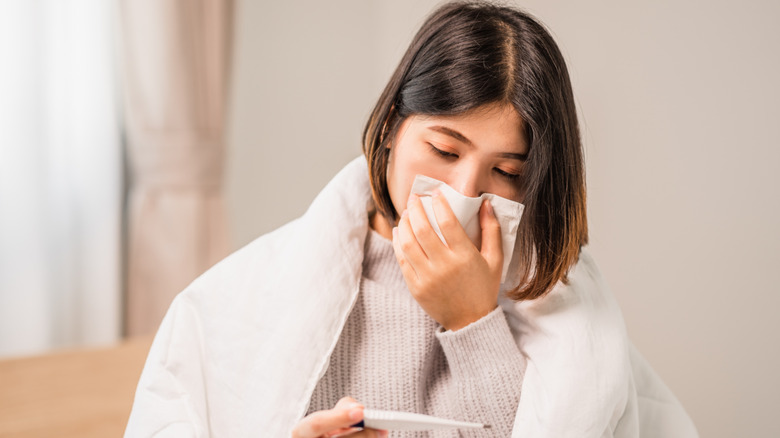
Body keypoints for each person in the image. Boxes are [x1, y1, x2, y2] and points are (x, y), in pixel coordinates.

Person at [125, 2, 698, 437]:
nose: (463, 191)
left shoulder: (569, 318)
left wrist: (473, 323)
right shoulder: (235, 302)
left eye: (507, 172)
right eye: (446, 152)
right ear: (394, 125)